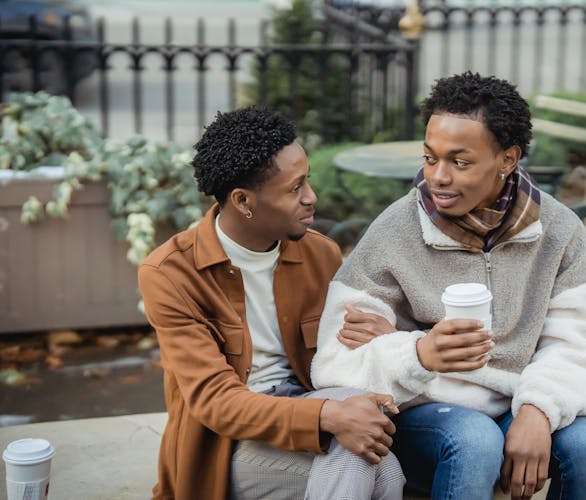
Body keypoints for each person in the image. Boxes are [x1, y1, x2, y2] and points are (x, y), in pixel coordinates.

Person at [311, 72, 586, 500]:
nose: (437, 176)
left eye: (460, 162)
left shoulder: (560, 231)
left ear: (508, 159)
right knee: (474, 440)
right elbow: (335, 361)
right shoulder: (394, 231)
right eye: (430, 157)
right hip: (422, 412)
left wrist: (537, 409)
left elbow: (575, 344)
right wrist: (414, 351)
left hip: (515, 399)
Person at [138, 106, 405, 500]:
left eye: (307, 182)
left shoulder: (321, 254)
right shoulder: (171, 274)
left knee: (382, 466)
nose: (312, 198)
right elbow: (215, 401)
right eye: (295, 188)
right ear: (243, 201)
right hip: (228, 444)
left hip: (310, 406)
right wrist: (329, 415)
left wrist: (384, 341)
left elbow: (342, 355)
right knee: (369, 464)